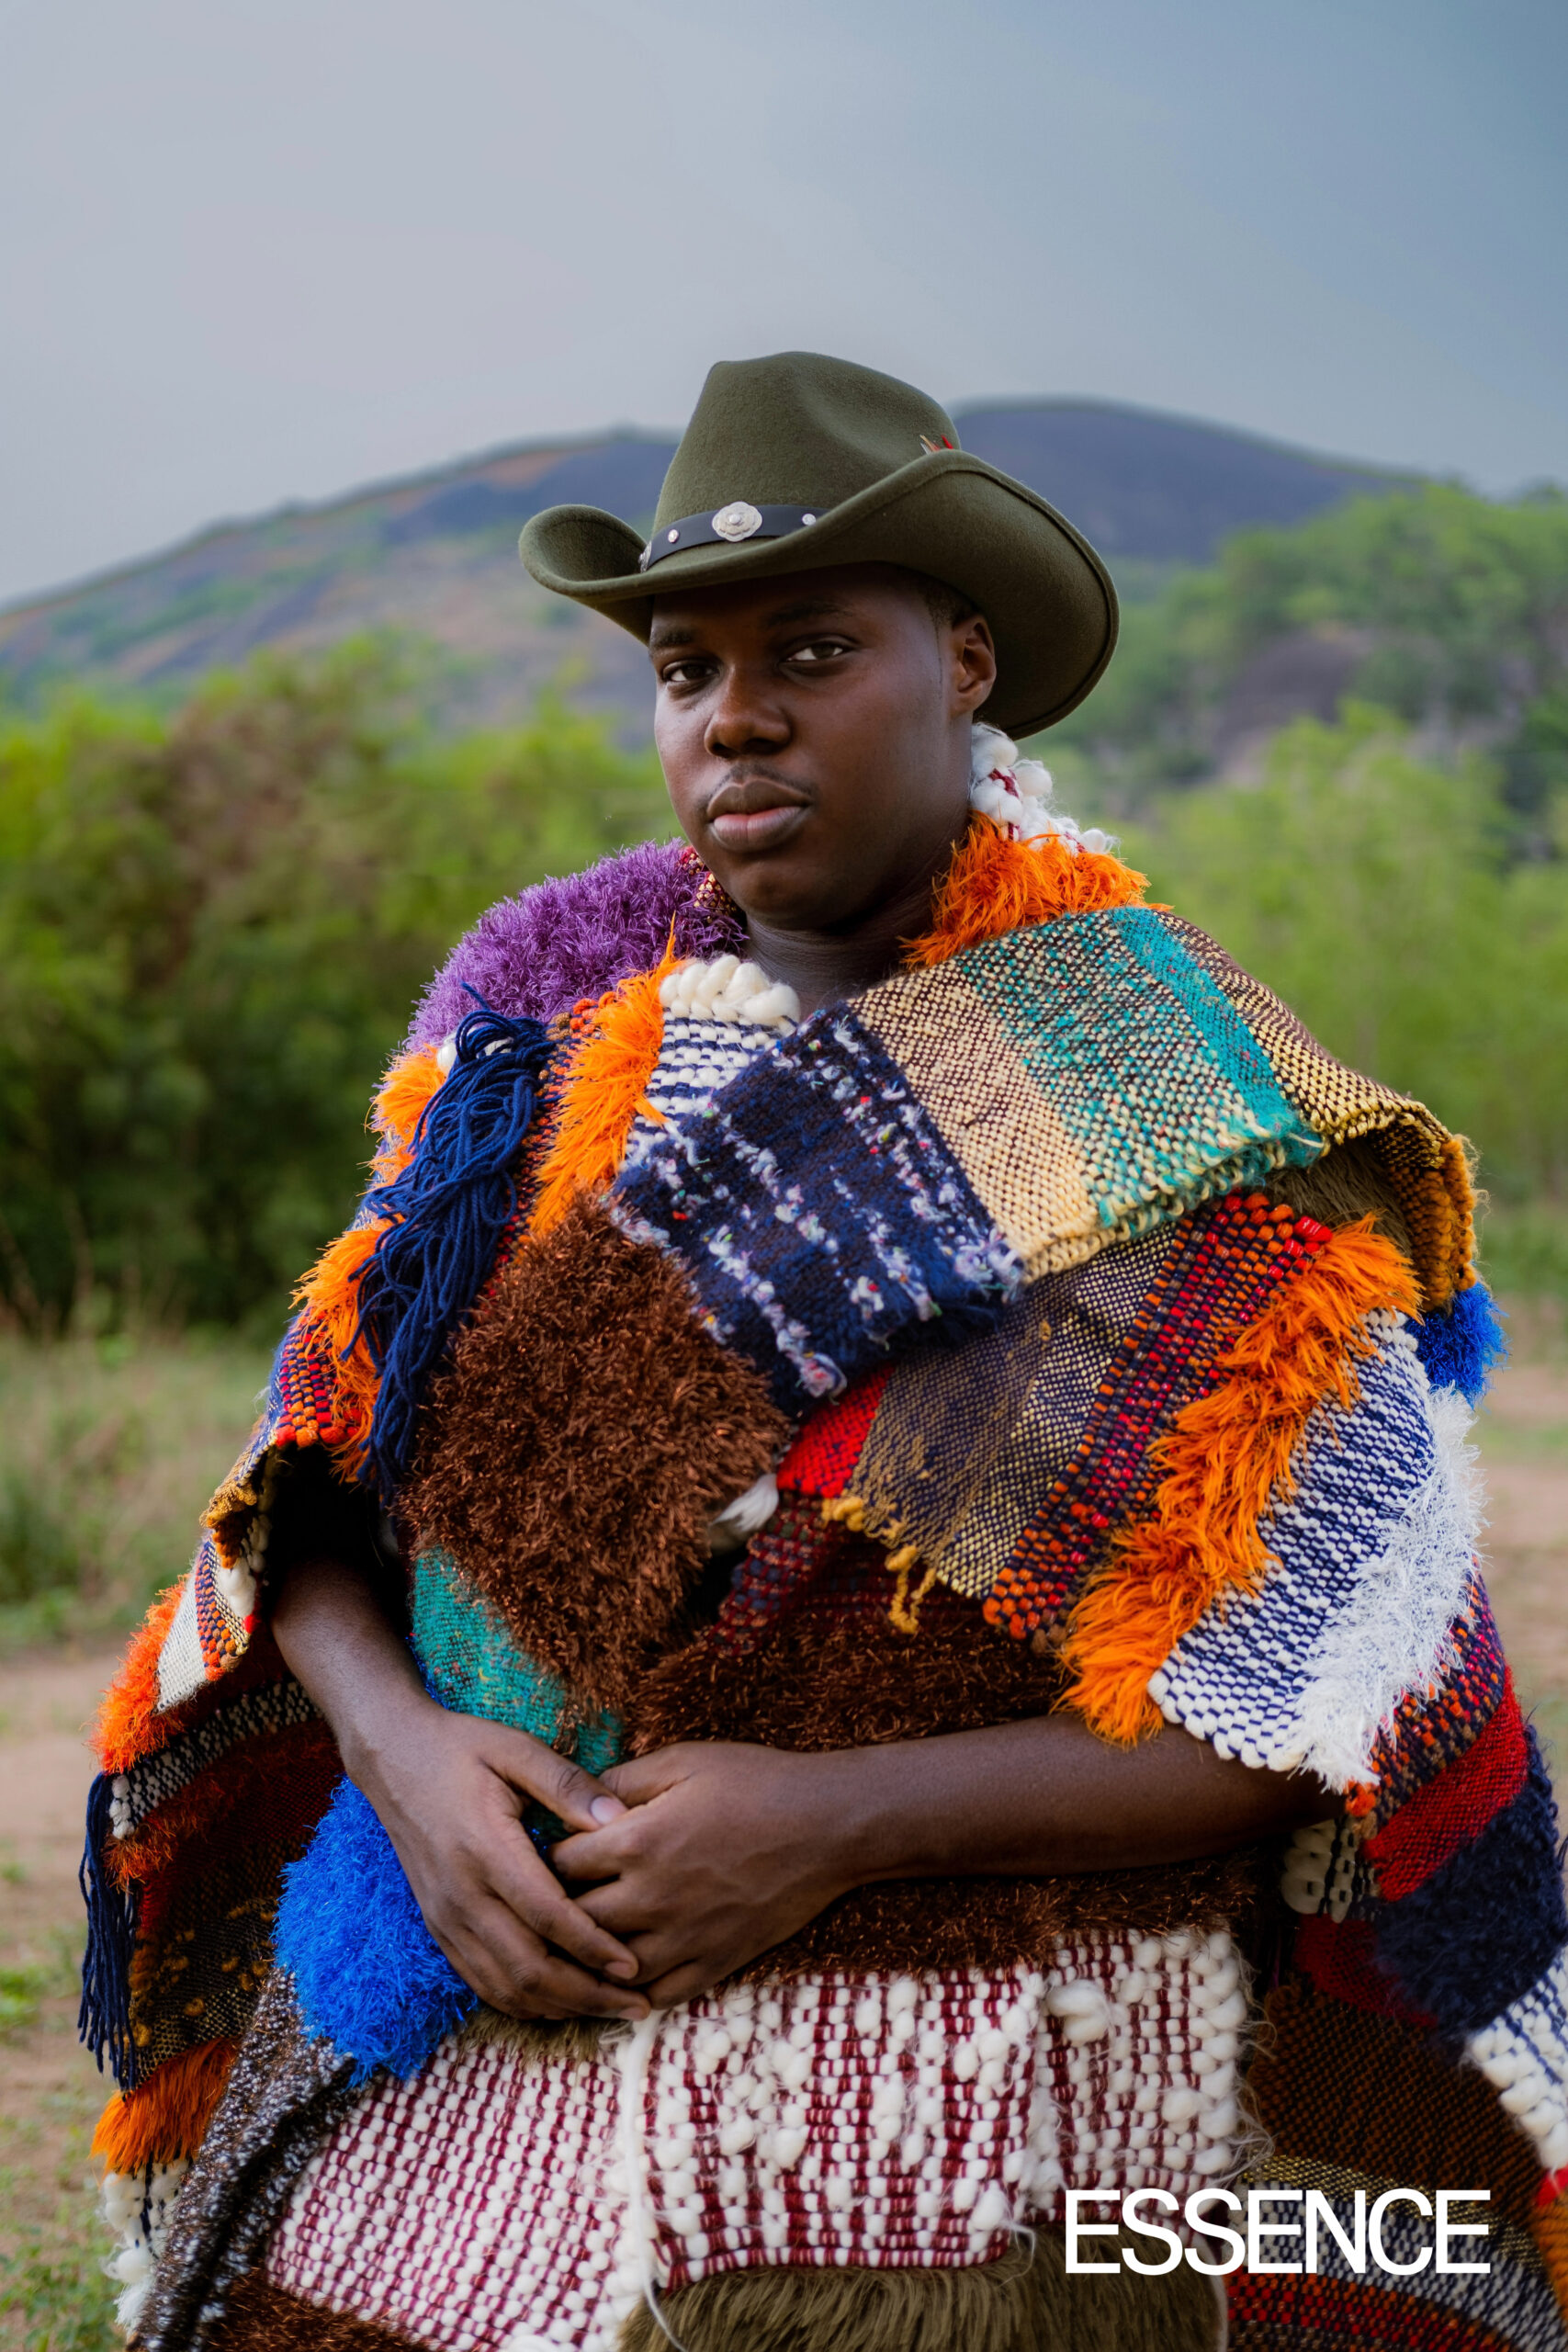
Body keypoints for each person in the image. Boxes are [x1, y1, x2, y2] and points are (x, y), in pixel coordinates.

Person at [84, 353, 1568, 2352]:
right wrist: (405, 1756)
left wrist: (832, 1822)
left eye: (809, 649)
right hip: (475, 1996)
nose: (736, 715)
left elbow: (1318, 1703)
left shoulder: (1166, 1091)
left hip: (999, 2072)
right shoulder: (522, 1042)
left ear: (965, 661)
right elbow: (315, 1486)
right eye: (683, 670)